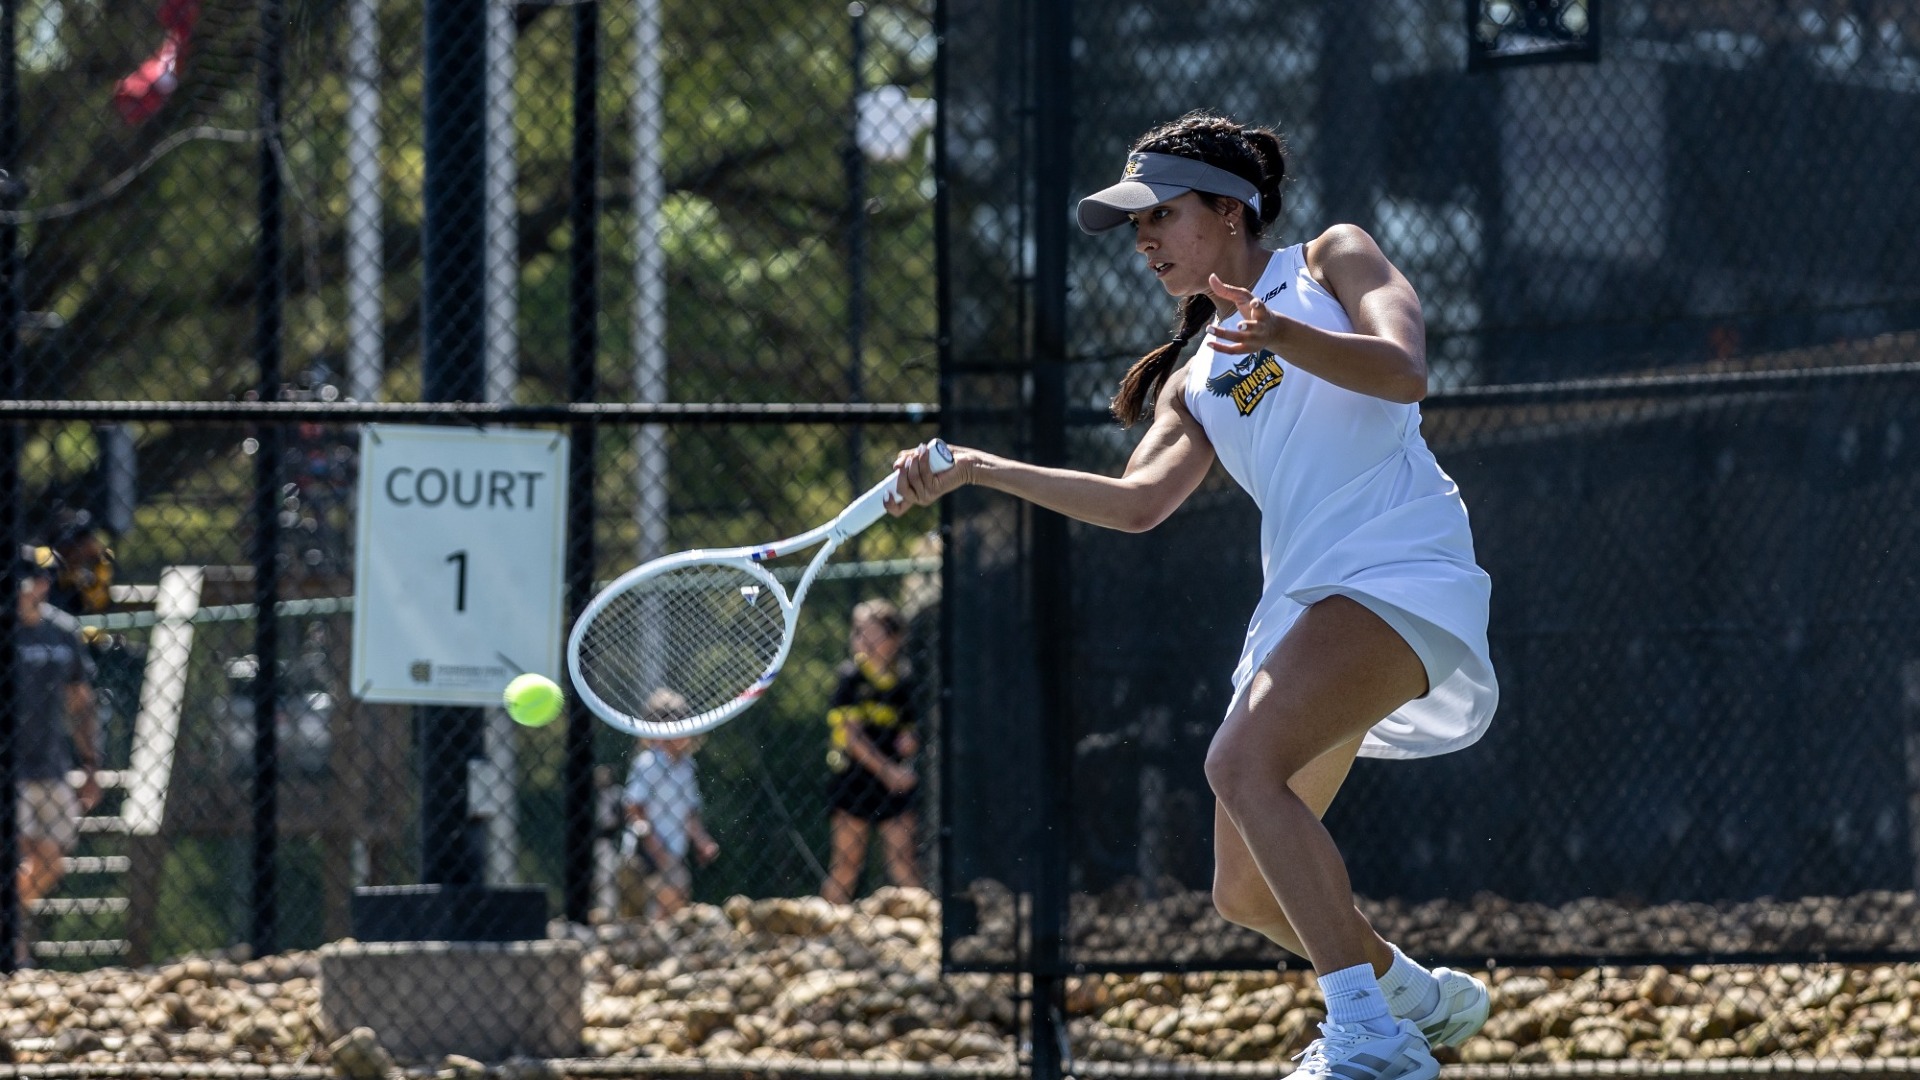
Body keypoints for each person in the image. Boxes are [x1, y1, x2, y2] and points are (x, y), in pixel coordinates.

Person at [886, 111, 1500, 1080]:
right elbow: (1137, 504)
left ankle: (1372, 1042)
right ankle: (1413, 996)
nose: (1143, 241)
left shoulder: (1333, 258)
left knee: (1239, 765)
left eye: (1159, 216)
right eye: (1133, 226)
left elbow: (1404, 371)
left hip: (1398, 565)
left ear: (1229, 212)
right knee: (1247, 893)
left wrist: (1285, 332)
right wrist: (981, 467)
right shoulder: (1195, 372)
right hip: (1301, 605)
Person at [11, 547, 102, 967]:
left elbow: (80, 702)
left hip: (53, 766)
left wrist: (90, 764)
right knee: (19, 851)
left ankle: (11, 921)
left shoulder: (63, 632)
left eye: (39, 578)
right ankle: (16, 948)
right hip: (10, 771)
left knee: (53, 859)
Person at [820, 599, 922, 905]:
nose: (861, 639)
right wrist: (888, 771)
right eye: (858, 631)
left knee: (904, 864)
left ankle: (927, 930)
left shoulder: (904, 681)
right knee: (846, 867)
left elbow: (910, 730)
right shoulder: (850, 678)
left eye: (871, 632)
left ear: (893, 639)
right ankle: (825, 932)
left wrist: (909, 743)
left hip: (893, 786)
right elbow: (852, 739)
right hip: (854, 780)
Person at [617, 689, 717, 921]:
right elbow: (634, 808)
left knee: (673, 904)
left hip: (673, 852)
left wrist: (702, 841)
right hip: (645, 855)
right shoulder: (648, 763)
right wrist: (657, 850)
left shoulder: (687, 767)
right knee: (666, 899)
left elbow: (689, 812)